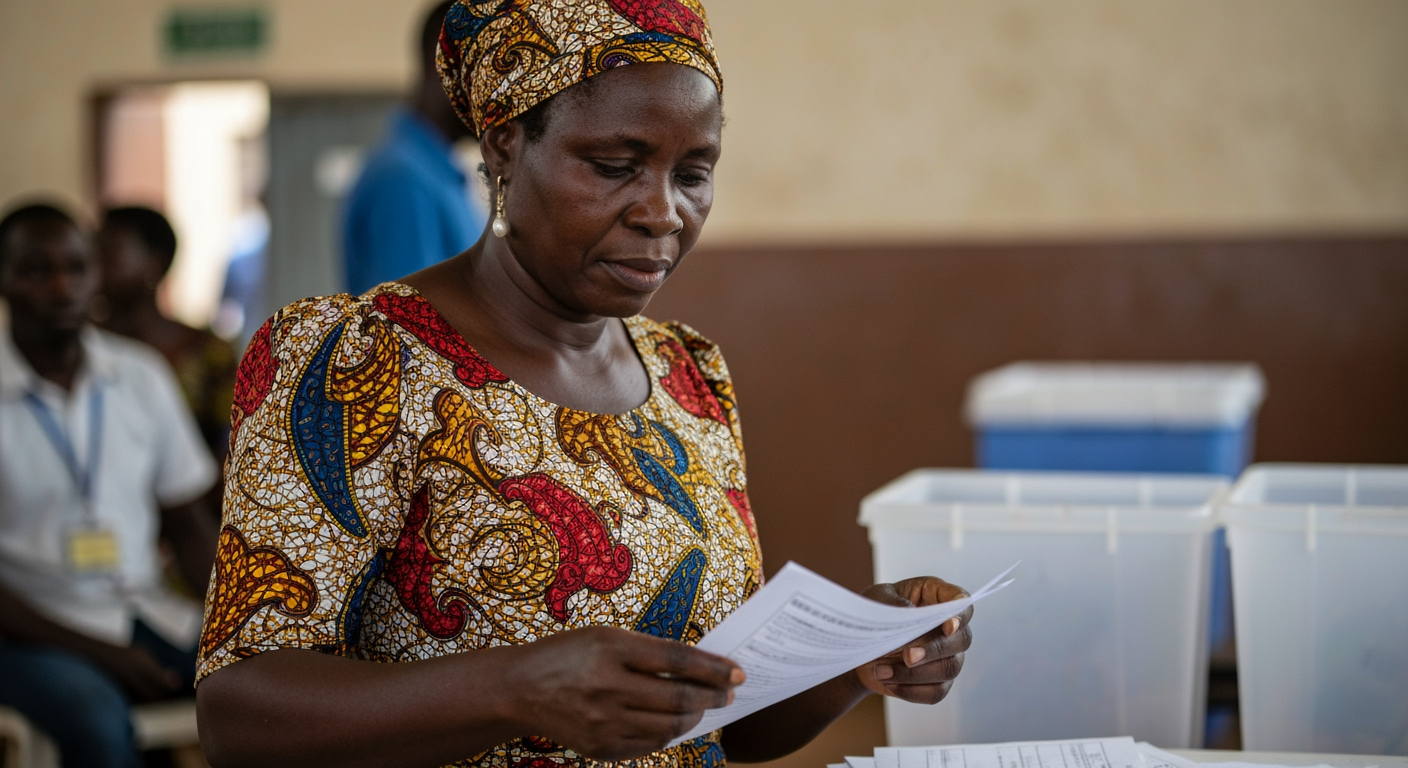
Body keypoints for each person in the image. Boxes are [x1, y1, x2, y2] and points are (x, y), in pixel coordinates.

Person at [196, 2, 976, 766]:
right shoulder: (356, 358)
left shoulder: (688, 374)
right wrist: (518, 689)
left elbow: (727, 724)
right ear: (505, 145)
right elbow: (242, 712)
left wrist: (854, 654)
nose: (664, 213)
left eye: (694, 173)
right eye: (614, 167)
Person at [0, 203, 220, 767]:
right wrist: (103, 654)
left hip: (143, 610)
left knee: (279, 692)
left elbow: (188, 523)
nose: (61, 286)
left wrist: (238, 622)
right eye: (35, 270)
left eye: (77, 268)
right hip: (29, 631)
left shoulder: (140, 375)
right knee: (99, 726)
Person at [340, 0, 488, 295]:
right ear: (441, 67)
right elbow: (409, 326)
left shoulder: (434, 173)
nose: (489, 97)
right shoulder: (404, 181)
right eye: (480, 76)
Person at [97, 206, 237, 459]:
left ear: (156, 264)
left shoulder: (209, 352)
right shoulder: (83, 347)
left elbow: (231, 446)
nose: (94, 267)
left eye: (109, 253)